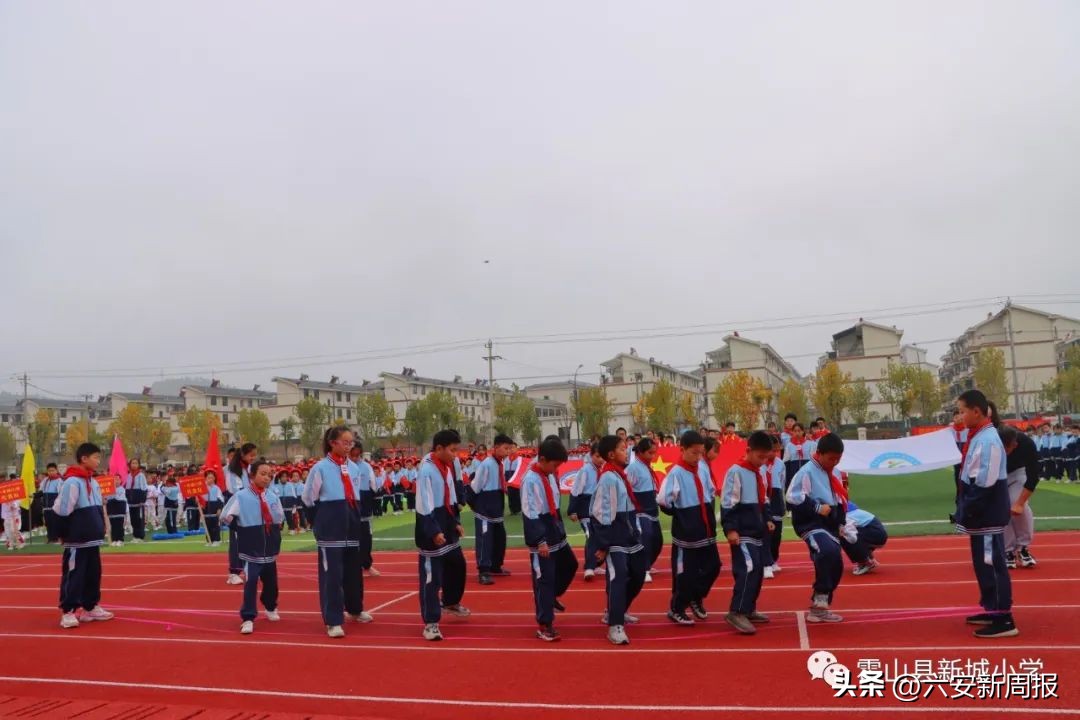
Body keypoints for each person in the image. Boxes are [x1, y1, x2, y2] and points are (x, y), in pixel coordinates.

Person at [954, 390, 1017, 639]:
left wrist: (967, 510)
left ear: (976, 412)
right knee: (983, 564)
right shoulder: (978, 437)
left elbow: (984, 483)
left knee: (991, 565)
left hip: (986, 515)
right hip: (981, 515)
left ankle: (1003, 617)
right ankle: (992, 608)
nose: (959, 416)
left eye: (962, 411)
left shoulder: (988, 440)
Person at [303, 427, 373, 638]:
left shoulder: (354, 468)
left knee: (353, 572)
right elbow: (308, 499)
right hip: (330, 528)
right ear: (332, 442)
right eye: (345, 442)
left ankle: (355, 608)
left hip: (352, 525)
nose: (349, 446)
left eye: (351, 442)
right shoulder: (320, 468)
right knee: (332, 575)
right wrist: (320, 522)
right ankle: (333, 620)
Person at [658, 431, 720, 627]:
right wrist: (682, 515)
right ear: (682, 450)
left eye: (701, 453)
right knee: (686, 574)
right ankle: (676, 608)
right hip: (687, 534)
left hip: (706, 528)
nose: (698, 457)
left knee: (714, 566)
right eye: (694, 453)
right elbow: (663, 500)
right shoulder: (675, 473)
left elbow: (710, 491)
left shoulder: (702, 468)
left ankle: (695, 597)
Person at [521, 437, 579, 642]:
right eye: (554, 465)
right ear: (543, 459)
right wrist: (540, 540)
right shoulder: (531, 480)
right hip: (542, 536)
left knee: (570, 564)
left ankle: (551, 597)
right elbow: (530, 512)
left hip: (555, 530)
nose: (556, 469)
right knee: (544, 580)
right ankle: (545, 624)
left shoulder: (548, 474)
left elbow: (553, 504)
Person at [785, 433, 847, 624]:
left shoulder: (834, 472)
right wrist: (817, 508)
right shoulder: (807, 472)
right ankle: (820, 602)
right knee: (826, 551)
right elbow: (793, 496)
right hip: (810, 523)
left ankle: (821, 603)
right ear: (819, 454)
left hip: (830, 523)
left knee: (837, 563)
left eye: (838, 459)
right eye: (831, 458)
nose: (834, 462)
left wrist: (841, 522)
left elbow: (840, 499)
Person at [591, 434, 646, 645]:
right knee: (618, 575)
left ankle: (618, 609)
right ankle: (614, 625)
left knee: (639, 573)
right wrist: (603, 545)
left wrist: (636, 531)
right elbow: (602, 512)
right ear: (612, 454)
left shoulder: (620, 476)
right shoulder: (608, 478)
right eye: (623, 449)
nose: (628, 452)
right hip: (614, 537)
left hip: (630, 535)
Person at [415, 429, 470, 641]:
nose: (456, 454)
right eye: (453, 450)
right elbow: (424, 504)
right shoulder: (427, 470)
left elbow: (452, 495)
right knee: (432, 577)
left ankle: (450, 602)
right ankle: (430, 623)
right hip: (431, 526)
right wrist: (434, 531)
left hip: (447, 523)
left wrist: (455, 522)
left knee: (458, 565)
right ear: (439, 449)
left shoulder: (446, 466)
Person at [53, 442, 113, 629]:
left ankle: (90, 606)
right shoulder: (72, 482)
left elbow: (97, 508)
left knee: (93, 574)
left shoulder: (93, 481)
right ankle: (69, 611)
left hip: (92, 538)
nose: (98, 461)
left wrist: (102, 526)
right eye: (95, 457)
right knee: (75, 574)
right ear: (84, 458)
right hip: (77, 539)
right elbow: (62, 510)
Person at [719, 430, 774, 634]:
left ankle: (748, 608)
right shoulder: (736, 471)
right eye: (759, 457)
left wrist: (767, 519)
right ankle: (736, 611)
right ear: (749, 451)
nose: (762, 461)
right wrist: (731, 529)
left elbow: (764, 499)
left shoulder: (759, 473)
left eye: (766, 458)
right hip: (742, 532)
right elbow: (728, 502)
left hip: (757, 531)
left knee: (758, 570)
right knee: (748, 568)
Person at [222, 459, 284, 634]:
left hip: (269, 549)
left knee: (271, 583)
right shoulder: (241, 496)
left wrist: (275, 536)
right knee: (251, 583)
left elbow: (279, 518)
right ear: (252, 476)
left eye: (269, 475)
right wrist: (240, 529)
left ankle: (271, 606)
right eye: (262, 474)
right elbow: (226, 516)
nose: (266, 478)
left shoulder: (272, 496)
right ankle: (248, 617)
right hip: (251, 550)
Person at [471, 434, 513, 585]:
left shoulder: (500, 463)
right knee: (485, 540)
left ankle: (495, 565)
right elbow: (476, 486)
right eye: (506, 448)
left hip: (497, 505)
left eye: (510, 449)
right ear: (496, 447)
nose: (508, 452)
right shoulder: (487, 464)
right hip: (485, 508)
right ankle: (484, 570)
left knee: (499, 538)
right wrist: (479, 505)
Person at [998, 425, 1040, 569]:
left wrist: (1021, 503)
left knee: (1015, 503)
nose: (1007, 452)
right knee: (1002, 509)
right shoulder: (990, 446)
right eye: (1004, 448)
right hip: (997, 474)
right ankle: (1007, 550)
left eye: (1009, 447)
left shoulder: (1027, 444)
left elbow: (1033, 476)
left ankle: (1023, 547)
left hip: (1018, 473)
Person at [626, 437, 662, 584]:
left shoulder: (648, 466)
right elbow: (627, 489)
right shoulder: (633, 468)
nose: (652, 456)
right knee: (645, 537)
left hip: (652, 509)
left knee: (658, 541)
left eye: (654, 453)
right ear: (640, 452)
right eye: (649, 453)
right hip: (640, 510)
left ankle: (646, 564)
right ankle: (644, 568)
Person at [569, 443, 605, 581]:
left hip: (599, 510)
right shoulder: (585, 470)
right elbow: (576, 490)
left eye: (602, 456)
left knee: (601, 537)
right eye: (597, 456)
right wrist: (572, 510)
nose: (600, 459)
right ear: (591, 456)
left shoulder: (603, 470)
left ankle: (595, 564)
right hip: (585, 510)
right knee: (591, 536)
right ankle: (589, 567)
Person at [225, 443, 258, 586]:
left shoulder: (249, 469)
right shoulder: (233, 470)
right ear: (243, 454)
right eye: (251, 455)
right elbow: (234, 489)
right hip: (237, 507)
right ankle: (233, 573)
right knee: (237, 540)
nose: (253, 457)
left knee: (250, 539)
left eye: (255, 455)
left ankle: (247, 567)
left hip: (250, 506)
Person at [349, 442, 381, 577]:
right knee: (351, 540)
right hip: (350, 507)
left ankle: (367, 565)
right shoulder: (344, 467)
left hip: (365, 508)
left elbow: (373, 486)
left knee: (366, 539)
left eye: (358, 455)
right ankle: (353, 567)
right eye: (353, 455)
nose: (355, 458)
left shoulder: (367, 467)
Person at [840, 501, 888, 574]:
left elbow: (852, 538)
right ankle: (867, 559)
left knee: (845, 535)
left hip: (877, 535)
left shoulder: (847, 517)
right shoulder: (854, 512)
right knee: (846, 533)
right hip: (877, 533)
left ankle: (866, 562)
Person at [762, 436, 787, 577]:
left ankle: (773, 560)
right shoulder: (760, 463)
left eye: (777, 450)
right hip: (763, 496)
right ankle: (766, 563)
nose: (775, 453)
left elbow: (782, 482)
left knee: (776, 534)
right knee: (766, 532)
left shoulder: (780, 464)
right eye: (773, 450)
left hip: (776, 496)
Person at [783, 423, 815, 487]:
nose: (797, 433)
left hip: (807, 472)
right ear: (792, 432)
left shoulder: (810, 444)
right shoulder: (789, 445)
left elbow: (813, 461)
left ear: (803, 431)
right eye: (795, 431)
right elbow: (786, 462)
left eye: (799, 431)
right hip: (794, 472)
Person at [41, 463, 62, 544]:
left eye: (53, 470)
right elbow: (42, 491)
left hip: (55, 506)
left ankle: (57, 538)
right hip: (46, 506)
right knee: (48, 522)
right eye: (49, 471)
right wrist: (34, 495)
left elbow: (61, 493)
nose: (51, 472)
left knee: (56, 522)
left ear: (56, 470)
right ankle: (50, 538)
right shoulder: (45, 480)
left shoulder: (60, 480)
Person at [203, 470, 225, 546]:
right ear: (205, 478)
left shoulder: (216, 488)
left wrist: (219, 508)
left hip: (214, 509)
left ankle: (216, 540)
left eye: (212, 478)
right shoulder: (203, 488)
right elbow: (200, 498)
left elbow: (221, 499)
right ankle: (209, 540)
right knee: (207, 525)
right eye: (209, 478)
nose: (210, 479)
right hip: (206, 509)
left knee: (215, 525)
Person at [105, 482, 128, 547]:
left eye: (117, 479)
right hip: (112, 509)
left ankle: (120, 540)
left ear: (120, 481)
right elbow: (107, 498)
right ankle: (114, 540)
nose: (116, 481)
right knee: (113, 525)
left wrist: (114, 495)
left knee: (119, 525)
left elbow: (120, 498)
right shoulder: (109, 489)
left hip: (119, 509)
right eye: (114, 479)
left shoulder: (122, 489)